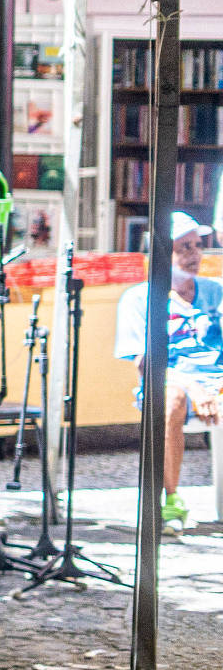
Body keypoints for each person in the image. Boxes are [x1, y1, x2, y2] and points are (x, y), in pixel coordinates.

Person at [115, 210, 223, 530]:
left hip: (215, 382)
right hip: (169, 383)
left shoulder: (216, 292)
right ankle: (170, 500)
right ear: (163, 253)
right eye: (184, 247)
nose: (194, 254)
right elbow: (144, 364)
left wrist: (216, 388)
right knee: (172, 398)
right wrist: (194, 388)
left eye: (198, 245)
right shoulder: (138, 299)